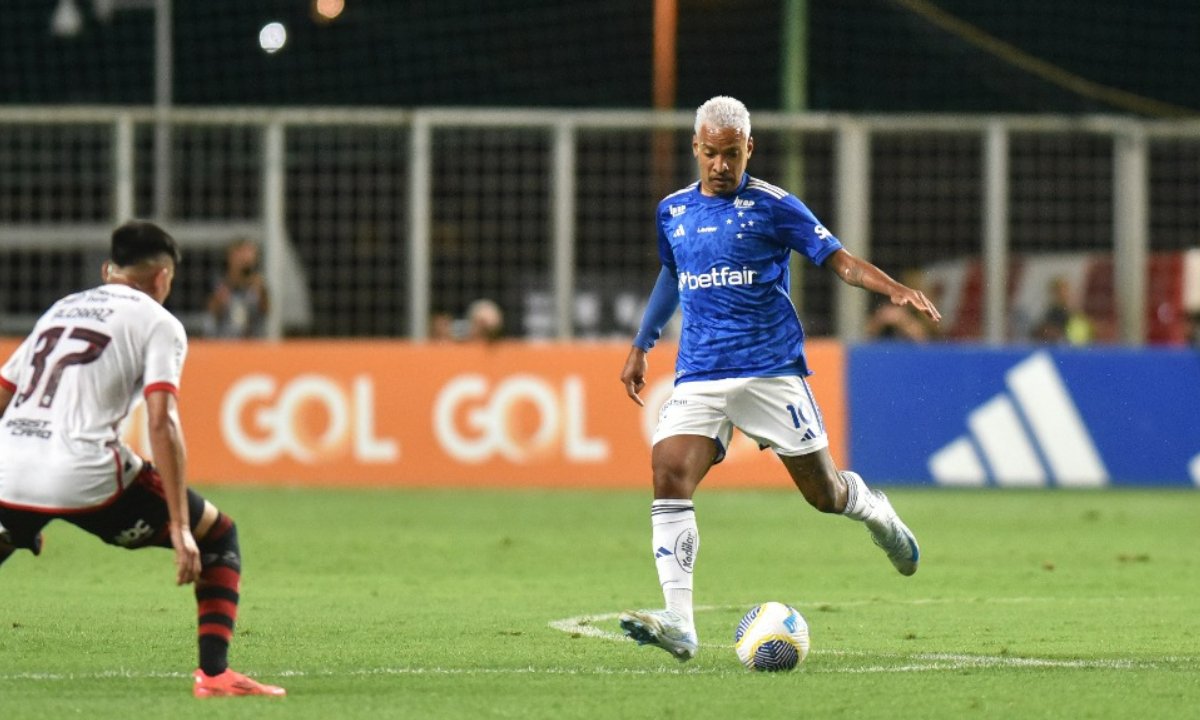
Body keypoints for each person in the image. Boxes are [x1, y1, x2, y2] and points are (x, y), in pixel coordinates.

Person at [617, 96, 941, 662]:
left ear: (750, 148)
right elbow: (671, 274)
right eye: (711, 154)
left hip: (770, 371)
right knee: (668, 473)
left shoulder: (774, 206)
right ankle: (680, 624)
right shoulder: (672, 211)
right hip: (699, 373)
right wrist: (642, 344)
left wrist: (891, 288)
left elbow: (839, 259)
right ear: (695, 147)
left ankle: (875, 511)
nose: (721, 165)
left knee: (824, 495)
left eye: (732, 154)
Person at [0, 221, 285, 698]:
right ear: (162, 278)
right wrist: (180, 526)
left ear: (107, 270)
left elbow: (4, 393)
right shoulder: (158, 322)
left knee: (8, 533)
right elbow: (162, 422)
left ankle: (17, 524)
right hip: (83, 472)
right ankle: (214, 675)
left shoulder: (61, 310)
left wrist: (23, 504)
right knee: (217, 535)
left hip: (9, 463)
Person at [205, 238, 269, 339]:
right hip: (225, 340)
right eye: (240, 253)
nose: (244, 258)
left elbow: (266, 310)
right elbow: (212, 312)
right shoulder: (220, 285)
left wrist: (261, 292)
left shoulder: (258, 285)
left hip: (253, 341)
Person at [1032, 275, 1092, 345]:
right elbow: (1048, 332)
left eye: (1067, 290)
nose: (1067, 294)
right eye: (1063, 291)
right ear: (1055, 294)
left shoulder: (1074, 312)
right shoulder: (1054, 312)